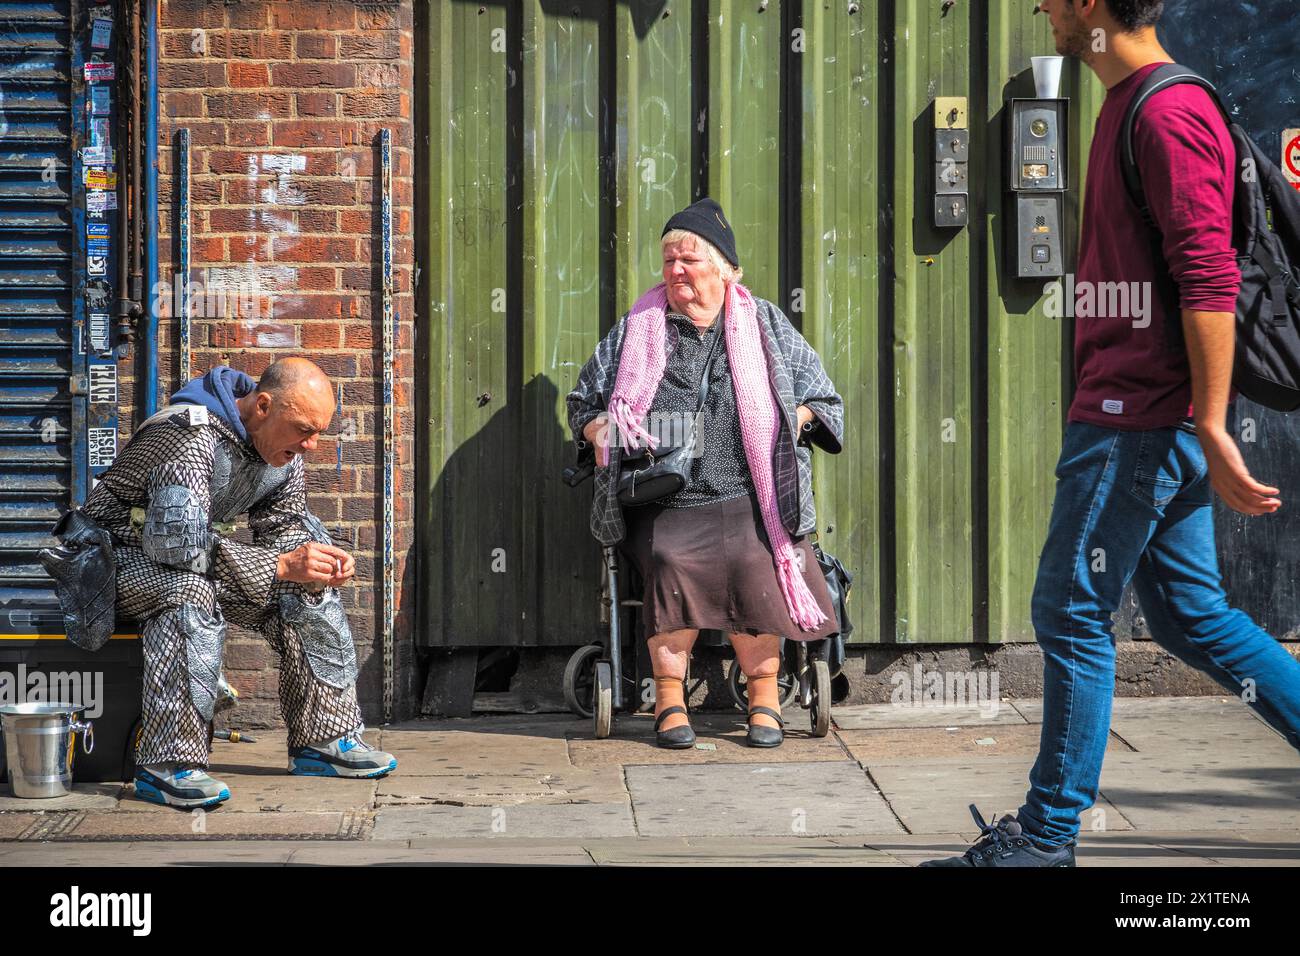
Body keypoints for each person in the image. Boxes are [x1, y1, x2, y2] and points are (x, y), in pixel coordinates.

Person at [924, 0, 1300, 866]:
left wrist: (1209, 422)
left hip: (1140, 415)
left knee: (1069, 609)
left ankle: (1049, 838)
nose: (1041, 7)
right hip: (1148, 412)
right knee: (1194, 618)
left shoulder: (1165, 113)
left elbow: (1207, 279)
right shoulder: (1129, 102)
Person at [566, 198, 844, 749]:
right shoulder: (637, 330)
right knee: (670, 561)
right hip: (664, 501)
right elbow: (582, 406)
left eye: (688, 259)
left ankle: (765, 697)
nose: (675, 271)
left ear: (726, 270)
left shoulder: (765, 323)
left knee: (758, 556)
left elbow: (825, 400)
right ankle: (668, 701)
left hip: (751, 497)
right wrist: (604, 431)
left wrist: (788, 417)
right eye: (669, 260)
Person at [78, 358, 396, 808]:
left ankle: (324, 741)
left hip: (181, 557)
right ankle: (168, 765)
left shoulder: (282, 448)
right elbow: (175, 546)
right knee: (188, 594)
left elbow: (284, 525)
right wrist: (281, 565)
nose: (312, 444)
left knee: (306, 591)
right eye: (305, 429)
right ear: (263, 406)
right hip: (107, 561)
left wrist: (316, 562)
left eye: (320, 431)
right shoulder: (187, 436)